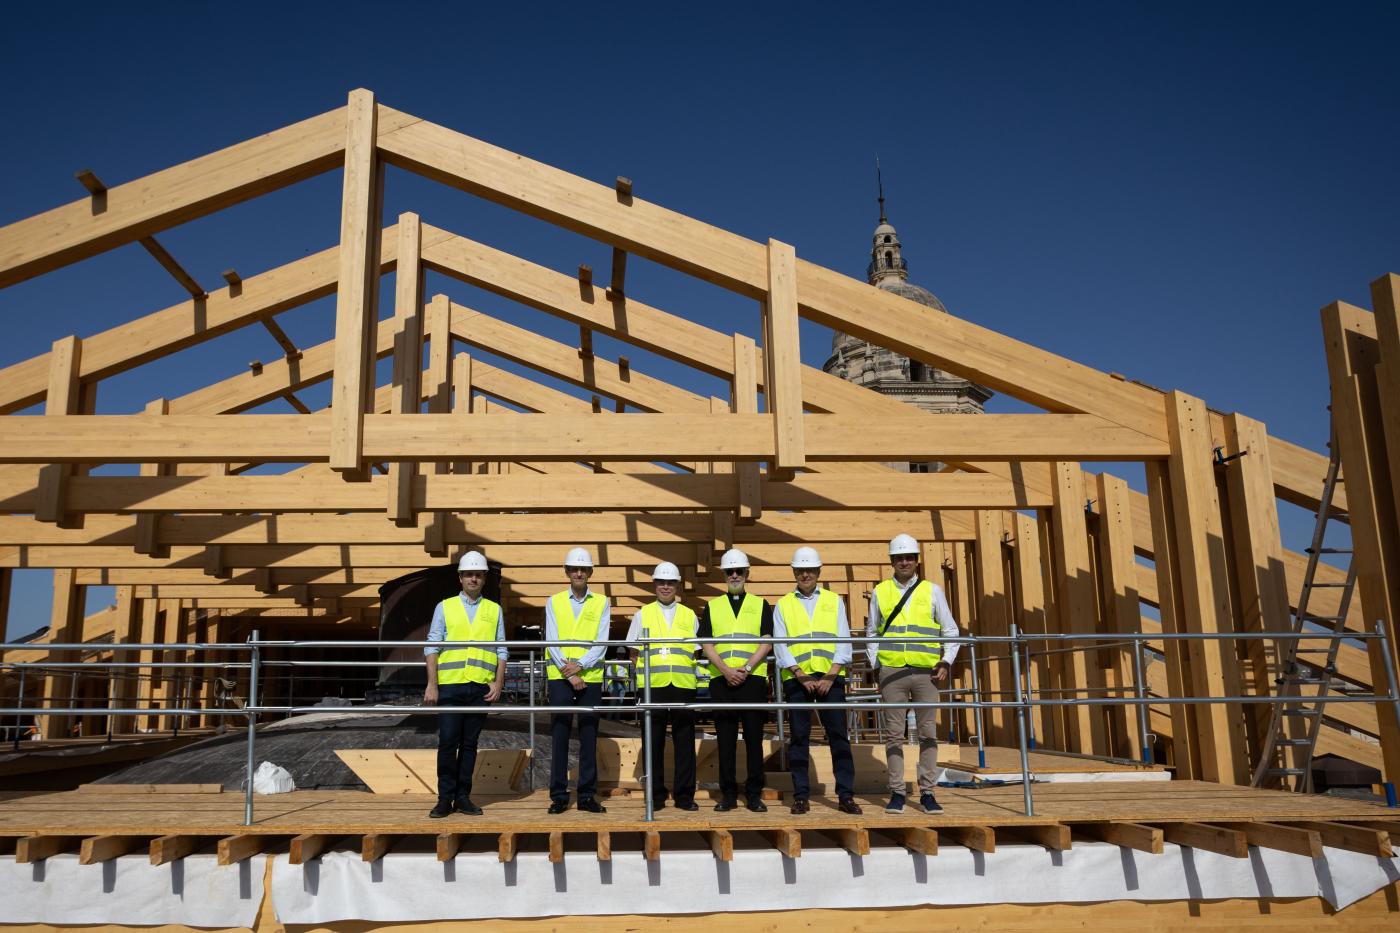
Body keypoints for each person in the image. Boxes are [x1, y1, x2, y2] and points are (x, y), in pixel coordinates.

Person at [866, 534, 959, 814]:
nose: (904, 561)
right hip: (892, 671)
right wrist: (876, 665)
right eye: (898, 557)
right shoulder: (880, 592)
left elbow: (950, 630)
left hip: (926, 672)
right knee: (894, 735)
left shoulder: (932, 591)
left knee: (928, 733)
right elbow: (872, 631)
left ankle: (928, 792)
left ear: (916, 560)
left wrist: (946, 661)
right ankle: (897, 792)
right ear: (891, 561)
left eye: (908, 557)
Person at [773, 546, 860, 815]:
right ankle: (801, 795)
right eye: (801, 570)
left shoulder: (835, 601)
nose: (805, 574)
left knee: (838, 737)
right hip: (798, 680)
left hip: (829, 678)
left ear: (819, 571)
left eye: (810, 569)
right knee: (799, 738)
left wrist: (830, 675)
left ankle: (845, 795)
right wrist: (800, 674)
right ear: (794, 572)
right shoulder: (784, 604)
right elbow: (780, 644)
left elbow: (844, 641)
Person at [423, 550, 508, 818]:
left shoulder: (494, 610)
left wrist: (498, 682)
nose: (473, 579)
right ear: (460, 577)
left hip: (480, 687)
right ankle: (444, 798)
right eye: (469, 574)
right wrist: (432, 684)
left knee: (470, 744)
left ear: (484, 579)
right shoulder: (444, 606)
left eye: (478, 575)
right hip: (450, 686)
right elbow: (432, 646)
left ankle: (463, 797)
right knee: (448, 742)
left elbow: (501, 650)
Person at [698, 547, 772, 812]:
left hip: (751, 680)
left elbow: (766, 642)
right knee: (725, 740)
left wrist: (746, 668)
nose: (734, 575)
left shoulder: (761, 604)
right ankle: (728, 795)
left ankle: (754, 794)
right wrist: (727, 670)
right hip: (722, 680)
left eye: (738, 571)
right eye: (729, 572)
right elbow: (706, 644)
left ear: (747, 574)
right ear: (724, 576)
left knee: (754, 740)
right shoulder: (712, 606)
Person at [627, 561, 700, 811]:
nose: (665, 587)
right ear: (654, 584)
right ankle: (656, 796)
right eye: (661, 582)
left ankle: (684, 797)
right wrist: (643, 679)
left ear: (677, 585)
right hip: (652, 686)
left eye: (670, 582)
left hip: (682, 685)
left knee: (685, 744)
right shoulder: (642, 614)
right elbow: (633, 652)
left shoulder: (689, 615)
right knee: (653, 743)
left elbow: (696, 652)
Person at [544, 546, 611, 814]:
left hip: (589, 676)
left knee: (589, 736)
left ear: (591, 572)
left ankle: (586, 796)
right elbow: (552, 641)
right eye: (574, 569)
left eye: (583, 569)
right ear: (567, 572)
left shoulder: (602, 602)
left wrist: (580, 667)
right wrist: (570, 673)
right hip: (562, 677)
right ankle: (559, 796)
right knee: (559, 736)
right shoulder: (554, 601)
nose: (579, 573)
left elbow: (602, 641)